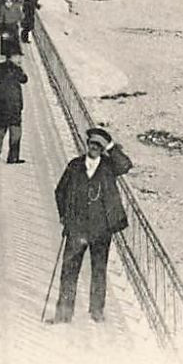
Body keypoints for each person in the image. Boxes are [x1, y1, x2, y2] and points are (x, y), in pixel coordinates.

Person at [50, 127, 133, 324]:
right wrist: (65, 217)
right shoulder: (75, 165)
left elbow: (126, 165)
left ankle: (97, 311)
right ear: (86, 145)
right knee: (69, 270)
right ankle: (63, 313)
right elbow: (60, 191)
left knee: (99, 270)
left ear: (103, 148)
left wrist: (112, 146)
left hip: (101, 229)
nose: (94, 148)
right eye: (92, 144)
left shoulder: (109, 167)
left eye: (99, 145)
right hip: (77, 228)